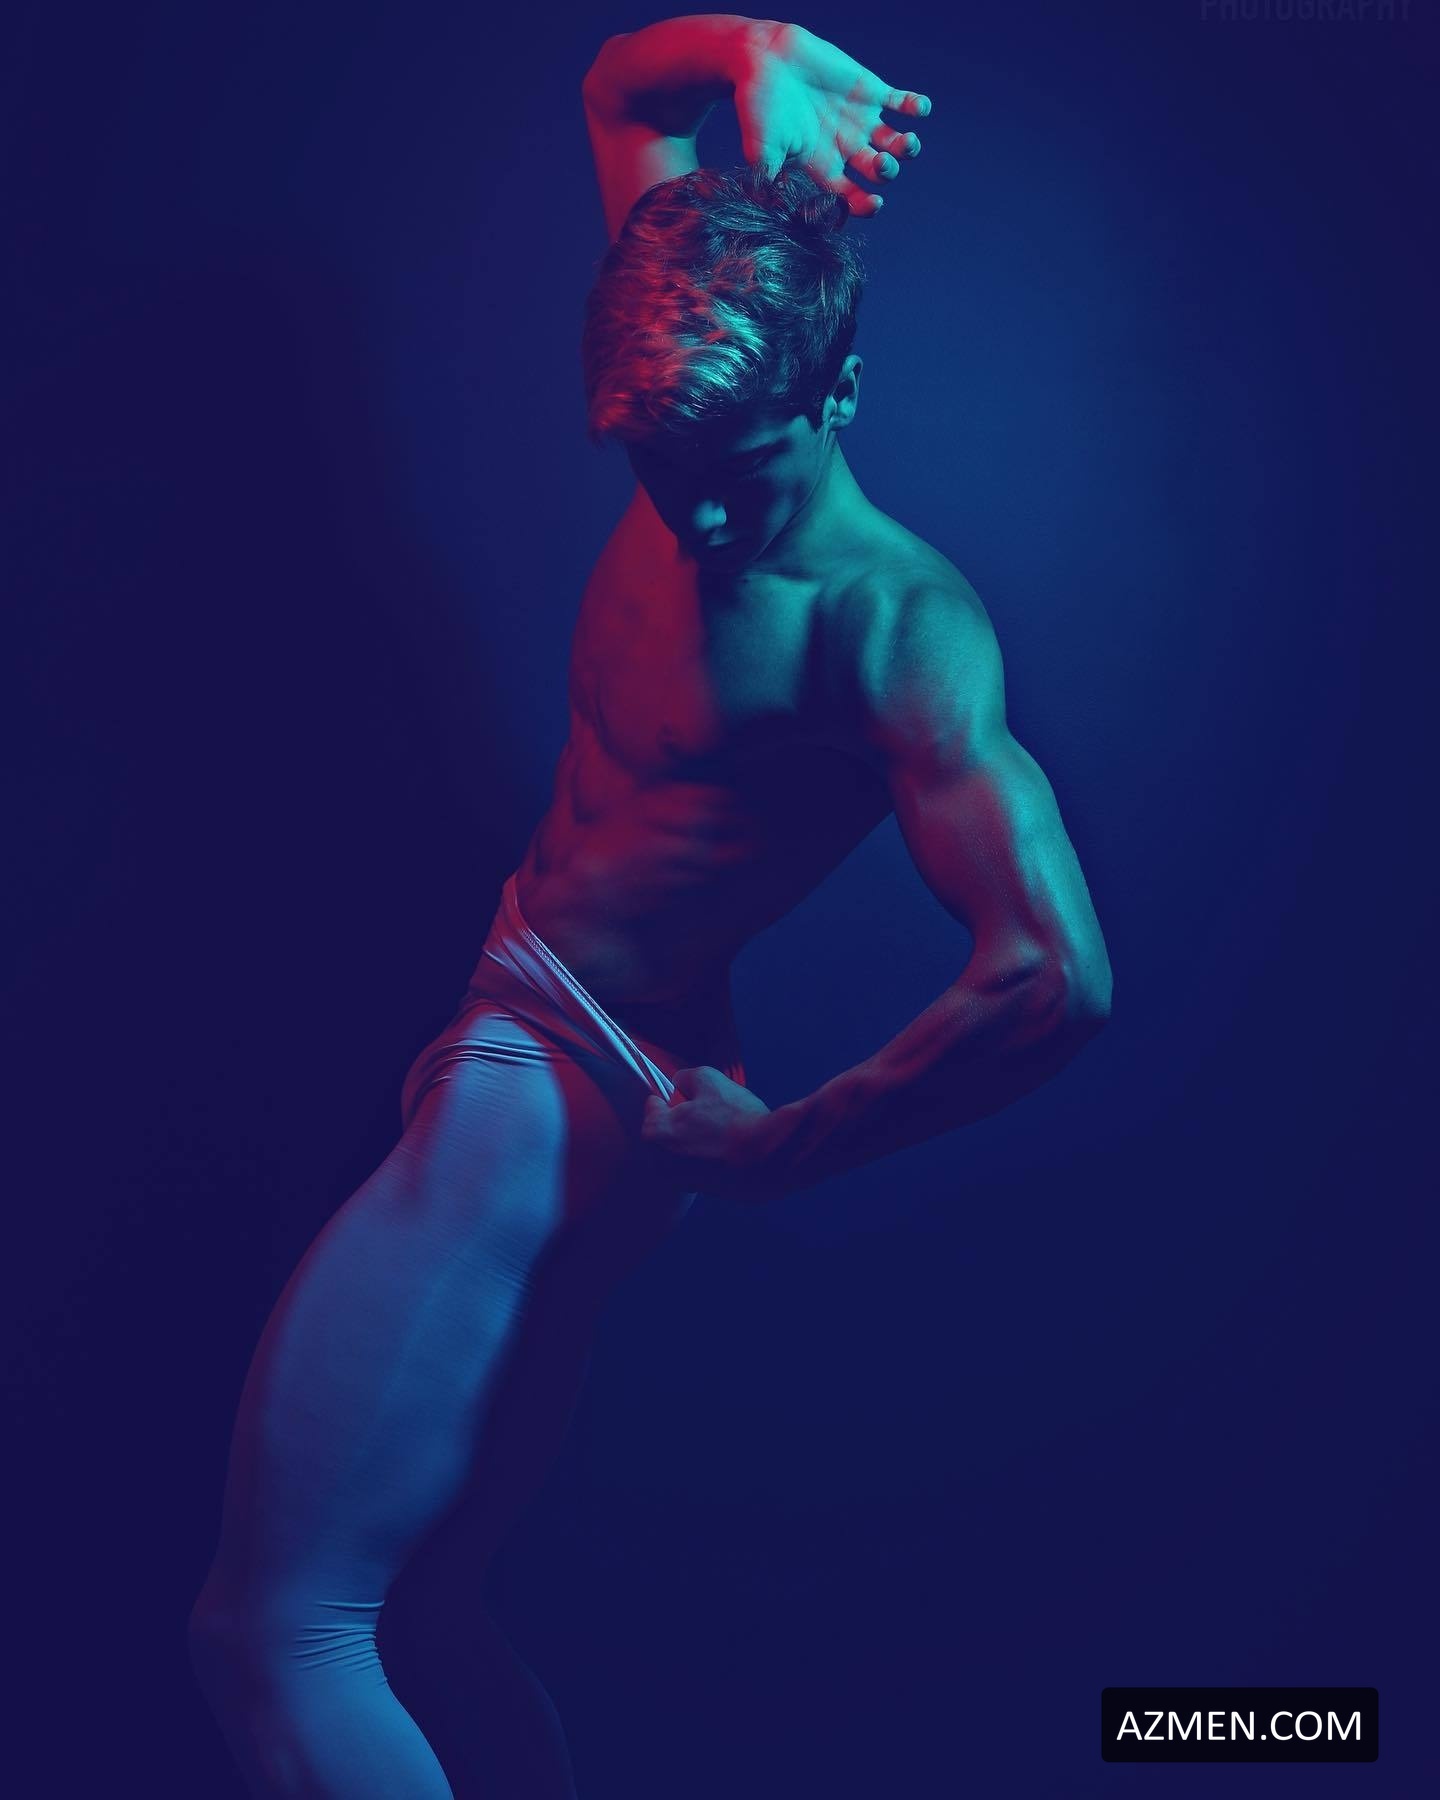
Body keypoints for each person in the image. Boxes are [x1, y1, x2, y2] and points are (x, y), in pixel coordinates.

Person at [187, 15, 1113, 1797]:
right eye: (660, 474)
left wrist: (785, 1148)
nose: (695, 525)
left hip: (564, 1074)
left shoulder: (891, 631)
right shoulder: (690, 329)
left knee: (274, 1632)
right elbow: (626, 86)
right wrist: (758, 47)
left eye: (737, 479)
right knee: (428, 1616)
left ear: (838, 398)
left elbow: (1055, 977)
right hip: (549, 1019)